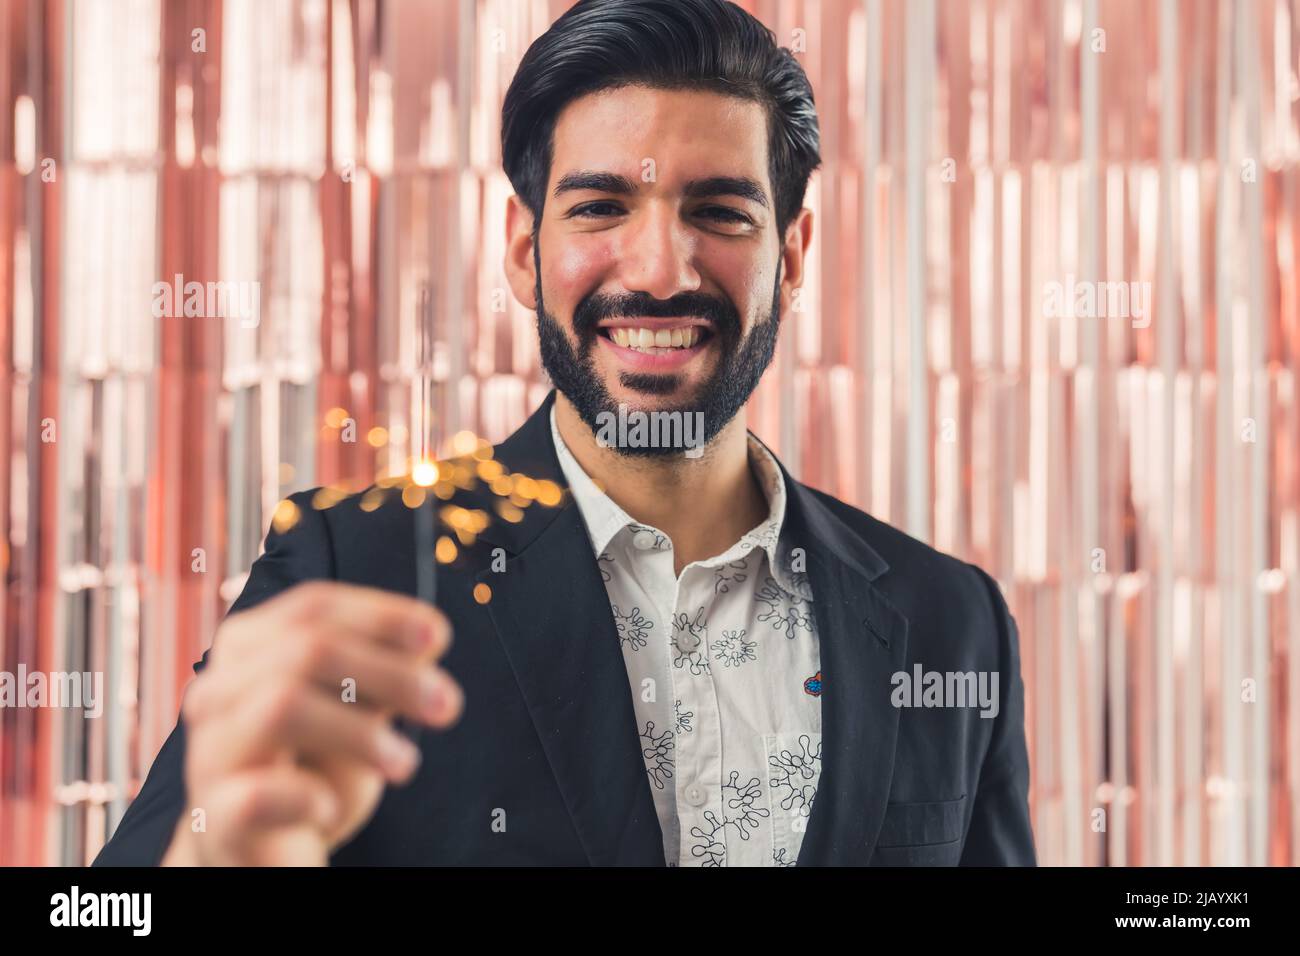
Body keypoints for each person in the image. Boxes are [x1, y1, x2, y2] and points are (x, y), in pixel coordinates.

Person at [94, 0, 1035, 867]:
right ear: (523, 250)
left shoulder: (954, 625)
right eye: (600, 207)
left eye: (719, 211)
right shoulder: (354, 569)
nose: (661, 270)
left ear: (791, 257)